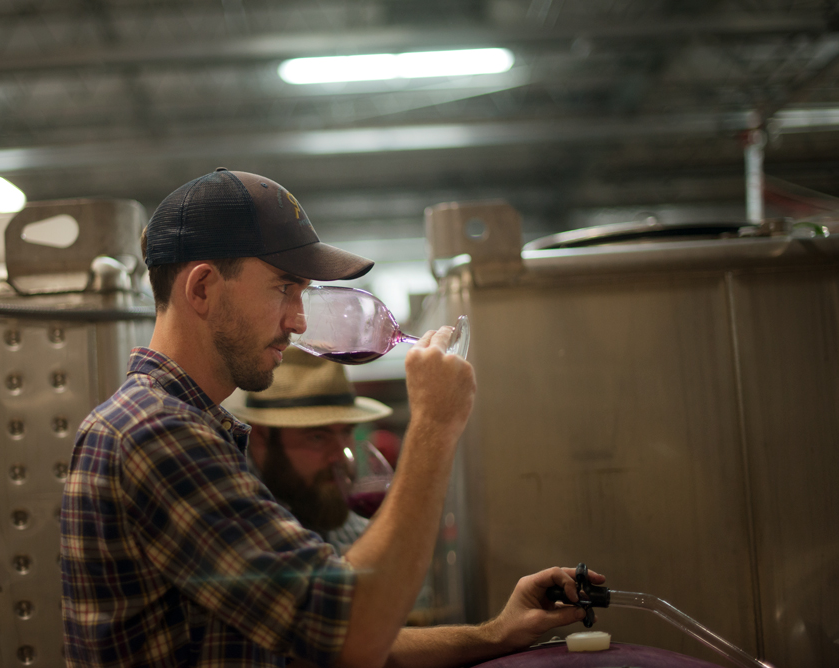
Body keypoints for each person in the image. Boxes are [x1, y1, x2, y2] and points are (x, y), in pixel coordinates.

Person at [60, 168, 603, 668]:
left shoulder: (190, 429)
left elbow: (313, 640)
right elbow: (351, 636)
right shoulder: (159, 433)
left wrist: (496, 635)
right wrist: (435, 425)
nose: (297, 321)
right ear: (202, 288)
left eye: (302, 293)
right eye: (283, 288)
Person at [224, 346, 393, 555]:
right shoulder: (235, 509)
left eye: (347, 432)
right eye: (317, 437)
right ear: (261, 436)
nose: (340, 455)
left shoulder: (322, 503)